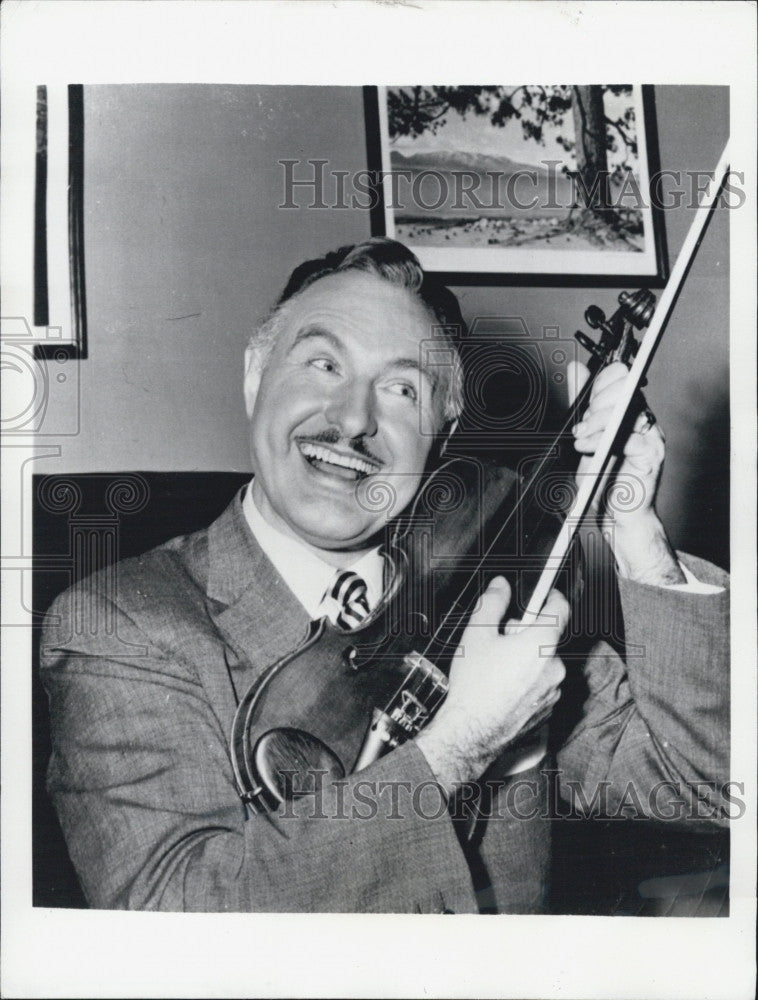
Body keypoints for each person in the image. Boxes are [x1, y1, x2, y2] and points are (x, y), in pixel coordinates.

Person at [40, 237, 730, 913]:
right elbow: (175, 926)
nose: (353, 420)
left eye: (402, 388)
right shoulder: (120, 625)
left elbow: (709, 785)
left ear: (442, 432)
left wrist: (639, 538)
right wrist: (458, 746)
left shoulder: (496, 596)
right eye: (323, 364)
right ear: (255, 379)